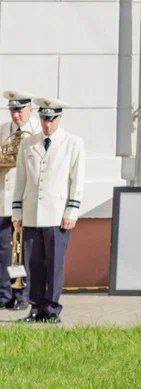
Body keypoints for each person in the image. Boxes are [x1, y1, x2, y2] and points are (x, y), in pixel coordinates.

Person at [12, 97, 84, 324]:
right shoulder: (28, 143)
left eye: (51, 119)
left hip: (57, 213)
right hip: (32, 212)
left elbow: (77, 180)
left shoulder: (73, 143)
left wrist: (71, 211)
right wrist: (18, 213)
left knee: (54, 263)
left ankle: (52, 309)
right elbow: (21, 180)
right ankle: (35, 308)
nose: (47, 124)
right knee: (33, 263)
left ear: (59, 118)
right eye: (43, 119)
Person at [0, 91, 39, 311]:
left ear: (30, 110)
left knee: (22, 252)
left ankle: (23, 294)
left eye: (20, 110)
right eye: (13, 110)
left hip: (25, 203)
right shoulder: (3, 131)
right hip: (3, 201)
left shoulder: (36, 133)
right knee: (4, 251)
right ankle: (4, 294)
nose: (16, 115)